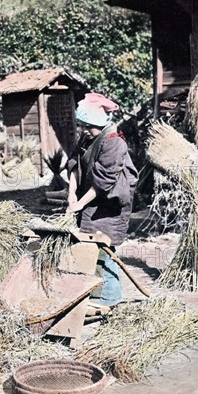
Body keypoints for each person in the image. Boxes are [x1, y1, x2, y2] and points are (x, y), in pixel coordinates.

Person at [66, 92, 139, 309]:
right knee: (89, 246)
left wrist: (80, 203)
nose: (84, 130)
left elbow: (103, 181)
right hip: (92, 201)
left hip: (110, 204)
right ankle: (95, 295)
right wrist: (71, 195)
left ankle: (109, 297)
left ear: (99, 122)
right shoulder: (87, 137)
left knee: (105, 249)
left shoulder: (114, 143)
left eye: (88, 126)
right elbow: (74, 166)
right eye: (82, 125)